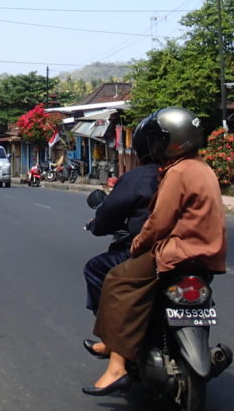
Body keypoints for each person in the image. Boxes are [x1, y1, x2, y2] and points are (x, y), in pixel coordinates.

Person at [82, 107, 227, 396]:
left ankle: (116, 365)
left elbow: (158, 222)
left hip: (177, 252)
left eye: (159, 139)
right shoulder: (202, 168)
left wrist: (137, 245)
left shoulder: (178, 172)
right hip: (206, 256)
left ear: (173, 140)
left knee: (117, 280)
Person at [81, 120, 160, 320]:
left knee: (95, 268)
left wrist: (98, 226)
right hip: (194, 254)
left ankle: (110, 328)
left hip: (153, 251)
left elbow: (110, 212)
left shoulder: (139, 178)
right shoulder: (193, 173)